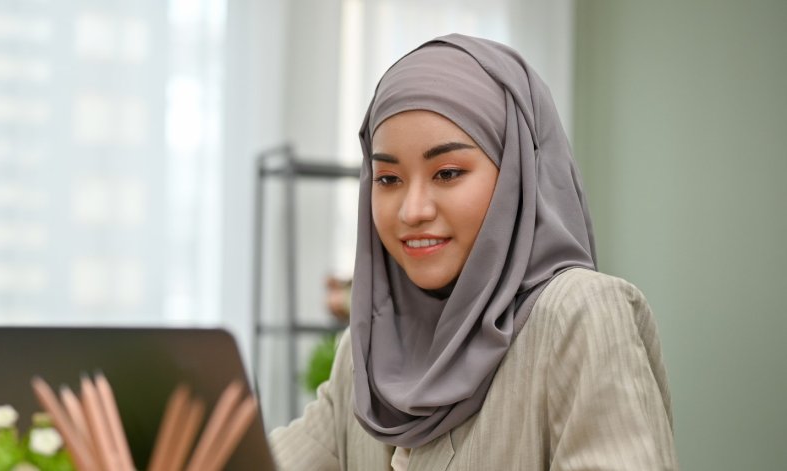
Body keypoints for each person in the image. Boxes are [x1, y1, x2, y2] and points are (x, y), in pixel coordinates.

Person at [269, 34, 678, 470]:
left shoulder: (579, 317)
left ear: (517, 176)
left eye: (447, 173)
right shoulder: (369, 351)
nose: (413, 211)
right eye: (388, 179)